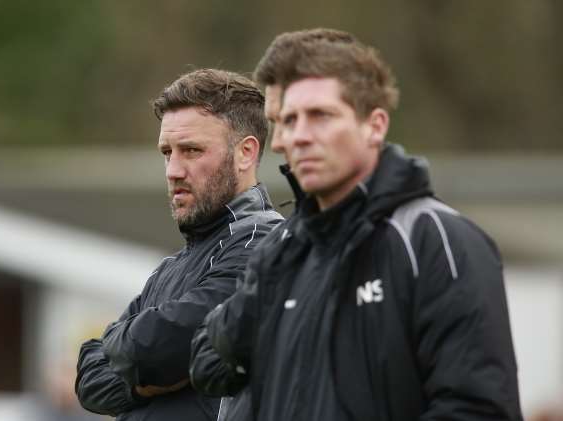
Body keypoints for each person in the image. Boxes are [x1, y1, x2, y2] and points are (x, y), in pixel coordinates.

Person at [190, 31, 524, 420]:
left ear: (375, 125)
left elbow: (477, 409)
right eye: (289, 120)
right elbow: (206, 360)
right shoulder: (284, 250)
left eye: (321, 116)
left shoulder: (436, 240)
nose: (299, 136)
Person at [75, 68, 283, 421]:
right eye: (167, 152)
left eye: (191, 150)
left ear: (246, 153)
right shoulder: (170, 269)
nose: (173, 170)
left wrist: (127, 351)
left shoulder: (266, 247)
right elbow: (89, 379)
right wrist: (140, 381)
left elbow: (158, 347)